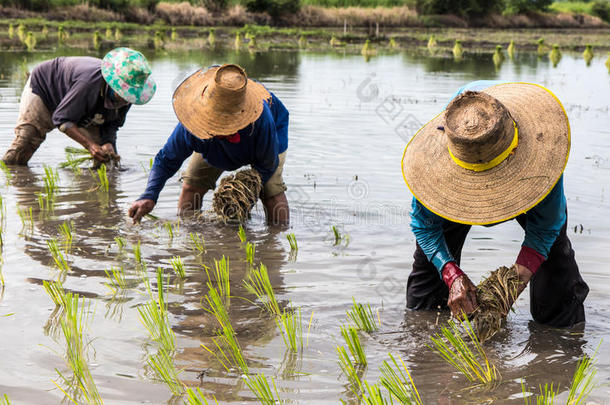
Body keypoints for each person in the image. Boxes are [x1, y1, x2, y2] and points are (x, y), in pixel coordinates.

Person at [402, 81, 589, 328]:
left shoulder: (542, 155)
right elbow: (425, 227)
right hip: (455, 190)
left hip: (527, 189)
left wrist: (506, 290)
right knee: (426, 298)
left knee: (556, 275)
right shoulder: (435, 167)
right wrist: (451, 274)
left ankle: (563, 339)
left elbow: (545, 230)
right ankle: (425, 343)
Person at [128, 64, 290, 225]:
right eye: (216, 123)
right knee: (192, 184)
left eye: (227, 125)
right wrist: (149, 195)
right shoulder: (193, 124)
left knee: (271, 191)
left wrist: (244, 190)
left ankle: (277, 238)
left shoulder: (261, 118)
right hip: (212, 144)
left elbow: (268, 164)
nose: (222, 128)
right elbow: (166, 160)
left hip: (262, 140)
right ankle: (190, 232)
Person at [2, 47, 156, 165]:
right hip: (45, 90)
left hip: (83, 107)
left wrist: (107, 142)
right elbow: (61, 119)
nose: (126, 100)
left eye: (130, 96)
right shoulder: (89, 83)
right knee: (25, 143)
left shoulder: (128, 98)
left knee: (108, 159)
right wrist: (89, 145)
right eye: (123, 93)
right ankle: (9, 174)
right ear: (114, 84)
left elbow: (112, 124)